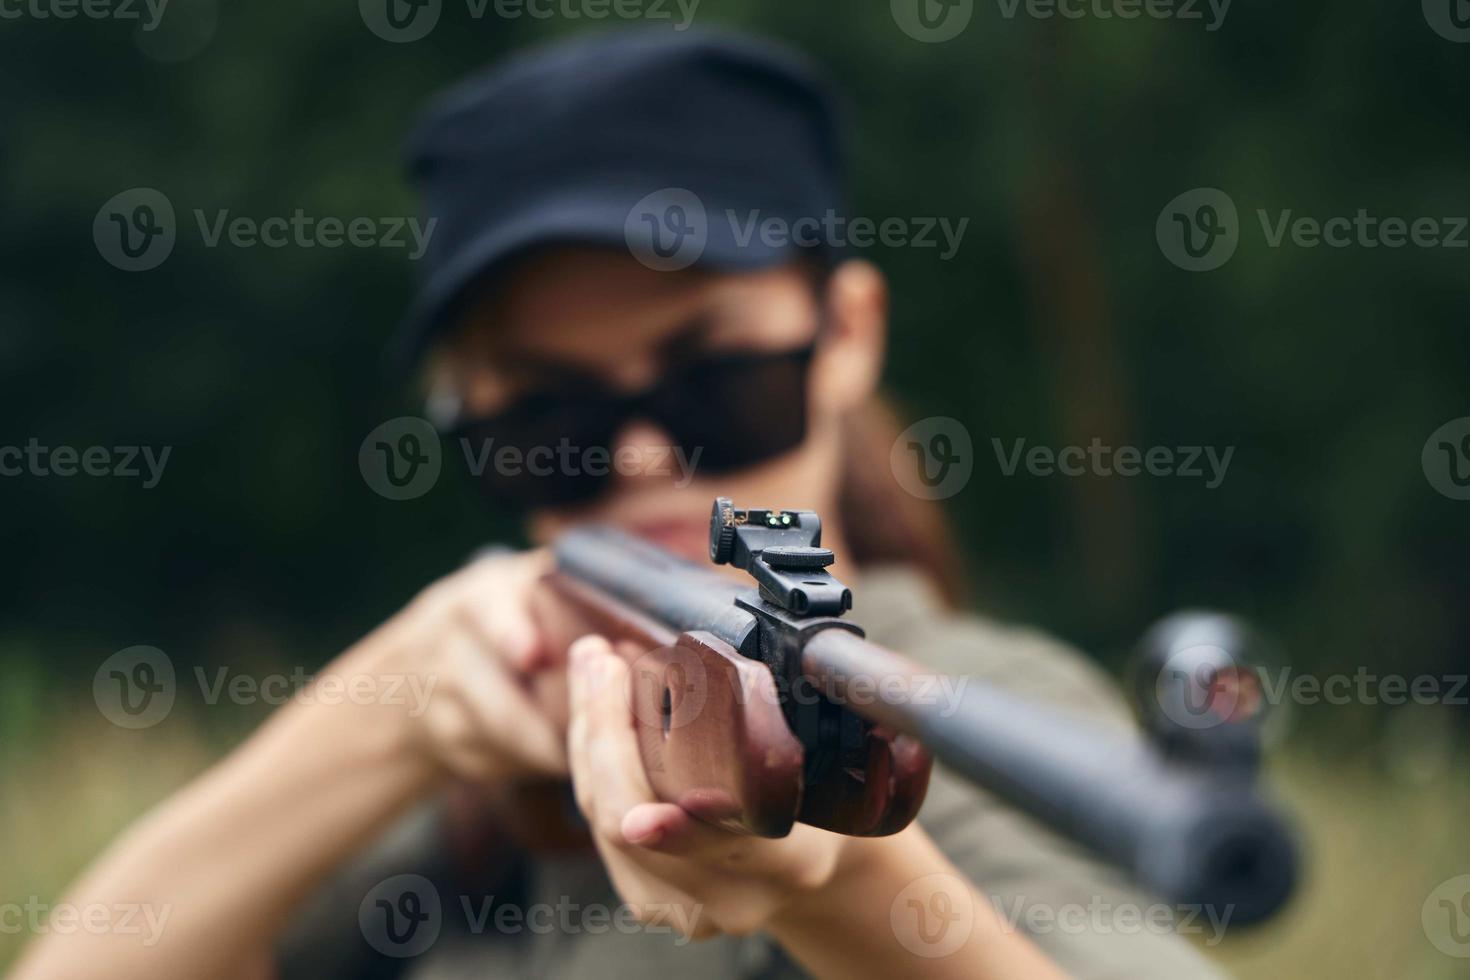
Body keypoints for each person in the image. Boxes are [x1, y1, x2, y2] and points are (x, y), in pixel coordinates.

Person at [14, 29, 1227, 980]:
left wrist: (843, 893)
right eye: (554, 422)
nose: (647, 461)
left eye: (714, 383)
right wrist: (381, 721)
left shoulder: (969, 706)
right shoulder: (478, 748)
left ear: (845, 333)